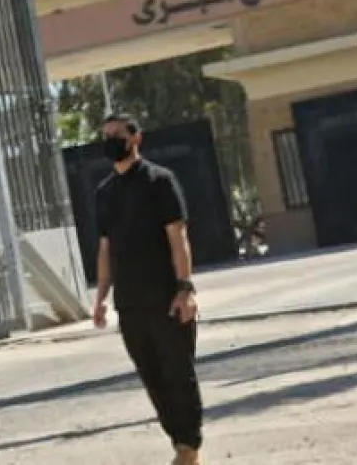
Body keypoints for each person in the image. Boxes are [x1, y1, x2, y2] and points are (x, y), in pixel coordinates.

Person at [91, 113, 203, 465]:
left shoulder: (160, 181)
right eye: (105, 135)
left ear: (136, 138)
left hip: (166, 298)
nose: (111, 141)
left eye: (117, 134)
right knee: (152, 377)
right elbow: (105, 248)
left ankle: (189, 447)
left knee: (177, 373)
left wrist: (185, 288)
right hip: (130, 304)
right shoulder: (105, 192)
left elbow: (177, 236)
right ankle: (179, 443)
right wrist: (100, 299)